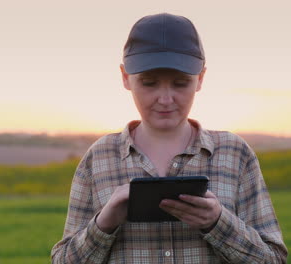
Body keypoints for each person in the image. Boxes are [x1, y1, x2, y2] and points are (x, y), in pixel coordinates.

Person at [51, 13, 287, 263]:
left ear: (201, 79)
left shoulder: (235, 154)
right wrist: (104, 223)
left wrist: (218, 223)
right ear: (124, 77)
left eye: (180, 83)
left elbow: (274, 258)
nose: (165, 99)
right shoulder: (98, 158)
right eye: (149, 83)